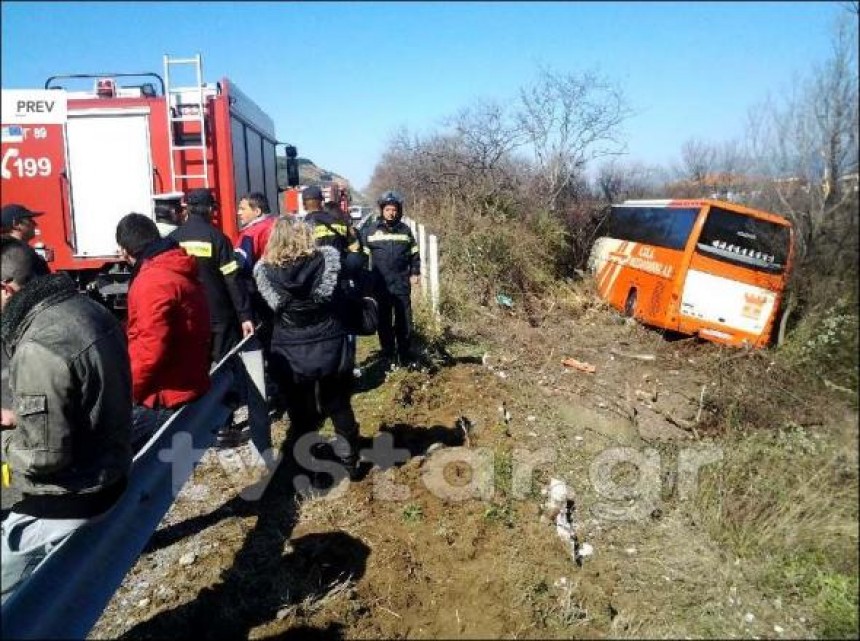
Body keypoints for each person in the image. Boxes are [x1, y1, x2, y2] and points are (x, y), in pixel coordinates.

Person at [0, 237, 132, 603]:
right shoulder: (90, 309)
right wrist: (19, 420)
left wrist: (6, 442)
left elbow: (44, 458)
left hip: (72, 498)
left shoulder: (38, 345)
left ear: (5, 288)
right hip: (112, 473)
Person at [253, 218, 361, 481]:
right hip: (329, 344)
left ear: (274, 239)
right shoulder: (326, 261)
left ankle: (308, 466)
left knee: (300, 412)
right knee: (337, 404)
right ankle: (350, 461)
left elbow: (264, 312)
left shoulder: (265, 271)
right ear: (305, 235)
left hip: (290, 351)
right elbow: (355, 267)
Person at [115, 214, 211, 450]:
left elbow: (150, 348)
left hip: (165, 395)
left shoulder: (152, 280)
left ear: (125, 250)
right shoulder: (173, 265)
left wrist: (127, 392)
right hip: (186, 380)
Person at [170, 188, 254, 448]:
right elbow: (232, 280)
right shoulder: (218, 238)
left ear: (187, 208)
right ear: (210, 210)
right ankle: (223, 430)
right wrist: (245, 315)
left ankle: (193, 426)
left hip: (187, 318)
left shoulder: (173, 239)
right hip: (218, 316)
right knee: (223, 372)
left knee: (192, 371)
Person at [360, 190, 421, 367]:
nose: (391, 213)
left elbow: (414, 253)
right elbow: (363, 257)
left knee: (404, 320)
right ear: (382, 210)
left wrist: (415, 272)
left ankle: (404, 353)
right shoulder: (371, 231)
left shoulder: (405, 231)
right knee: (384, 321)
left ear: (398, 211)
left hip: (401, 283)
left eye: (394, 209)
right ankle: (387, 352)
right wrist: (365, 280)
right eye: (388, 209)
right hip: (380, 285)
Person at [1, 204, 50, 274]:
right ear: (16, 224)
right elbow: (40, 282)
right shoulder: (24, 253)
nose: (35, 224)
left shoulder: (4, 249)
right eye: (30, 220)